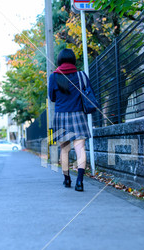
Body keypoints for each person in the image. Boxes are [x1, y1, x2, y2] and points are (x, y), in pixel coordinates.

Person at [48, 49, 92, 192]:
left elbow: (52, 98)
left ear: (59, 60)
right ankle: (79, 181)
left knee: (64, 149)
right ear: (73, 59)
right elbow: (88, 93)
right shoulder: (81, 75)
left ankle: (67, 179)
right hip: (78, 115)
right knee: (80, 149)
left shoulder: (54, 77)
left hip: (61, 116)